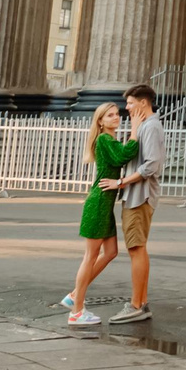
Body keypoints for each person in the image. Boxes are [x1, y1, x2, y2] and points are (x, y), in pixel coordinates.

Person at [64, 102, 136, 326]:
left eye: (117, 114)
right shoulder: (105, 139)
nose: (116, 118)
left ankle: (75, 294)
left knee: (111, 251)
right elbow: (123, 156)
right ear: (100, 121)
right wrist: (135, 130)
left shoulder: (109, 139)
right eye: (110, 116)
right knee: (89, 257)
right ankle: (76, 311)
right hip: (98, 204)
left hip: (104, 206)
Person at [103, 82, 165, 324]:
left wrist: (121, 182)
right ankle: (141, 302)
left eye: (130, 103)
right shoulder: (146, 126)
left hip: (139, 195)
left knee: (136, 249)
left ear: (143, 103)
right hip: (136, 194)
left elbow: (152, 164)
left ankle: (136, 305)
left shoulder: (150, 127)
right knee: (137, 248)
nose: (126, 107)